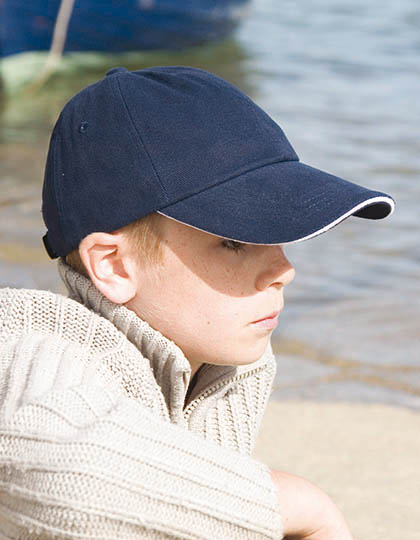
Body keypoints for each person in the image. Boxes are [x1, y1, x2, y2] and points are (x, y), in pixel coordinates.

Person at [0, 66, 394, 539]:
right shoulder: (40, 350)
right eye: (234, 242)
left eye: (277, 234)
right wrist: (300, 505)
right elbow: (53, 467)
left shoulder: (219, 364)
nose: (284, 269)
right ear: (113, 266)